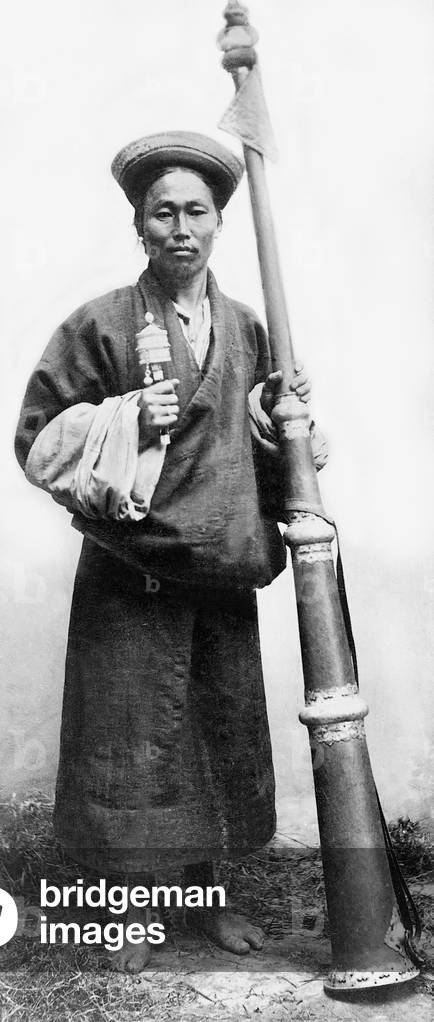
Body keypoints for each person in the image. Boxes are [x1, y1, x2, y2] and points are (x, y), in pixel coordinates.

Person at [15, 131, 327, 972]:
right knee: (130, 748)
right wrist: (119, 419)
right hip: (134, 575)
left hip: (221, 573)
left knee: (219, 739)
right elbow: (38, 440)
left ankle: (213, 901)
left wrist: (289, 424)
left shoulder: (253, 329)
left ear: (221, 222)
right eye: (163, 213)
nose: (180, 227)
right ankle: (130, 914)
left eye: (196, 211)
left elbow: (265, 443)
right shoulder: (99, 324)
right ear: (140, 227)